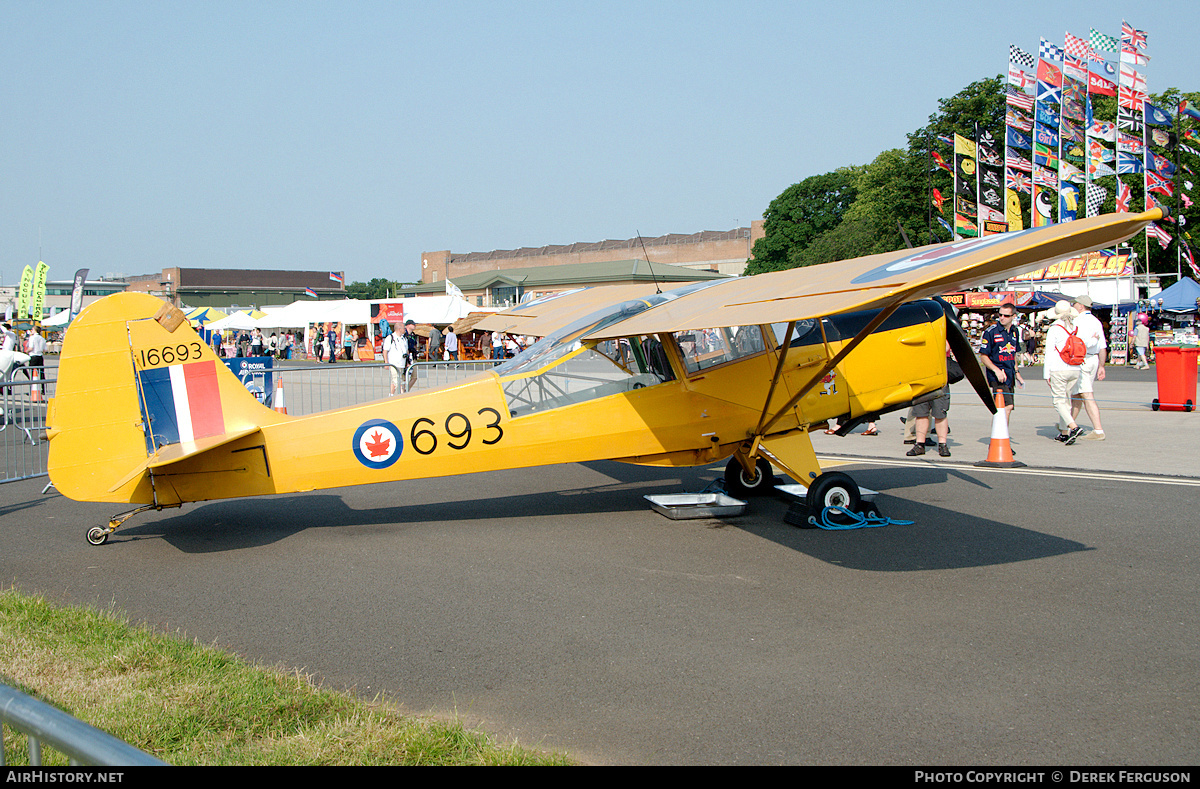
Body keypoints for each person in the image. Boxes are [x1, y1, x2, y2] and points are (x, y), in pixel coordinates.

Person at [1041, 300, 1085, 445]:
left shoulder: (1054, 329)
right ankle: (1064, 432)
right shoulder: (1075, 327)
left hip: (1059, 368)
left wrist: (1046, 374)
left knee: (1058, 401)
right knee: (1066, 401)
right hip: (1074, 368)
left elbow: (1049, 353)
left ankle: (1073, 427)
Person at [980, 304, 1025, 430]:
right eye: (1000, 315)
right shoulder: (991, 332)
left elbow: (1013, 353)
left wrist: (1017, 373)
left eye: (1006, 315)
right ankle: (1000, 437)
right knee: (1006, 406)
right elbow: (983, 356)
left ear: (1013, 316)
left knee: (1006, 408)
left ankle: (1001, 436)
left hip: (1010, 373)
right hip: (998, 376)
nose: (1002, 318)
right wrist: (996, 370)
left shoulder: (1014, 331)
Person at [906, 344, 953, 457]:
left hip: (938, 375)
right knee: (921, 413)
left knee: (940, 413)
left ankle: (942, 444)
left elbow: (945, 347)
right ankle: (920, 444)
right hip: (920, 375)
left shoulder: (940, 330)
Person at [1070, 295, 1106, 441]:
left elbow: (1078, 343)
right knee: (1077, 393)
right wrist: (1101, 366)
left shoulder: (1077, 321)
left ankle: (1098, 430)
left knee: (1086, 394)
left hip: (1082, 359)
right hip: (1094, 359)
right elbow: (1102, 346)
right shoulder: (1096, 321)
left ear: (1080, 306)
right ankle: (1068, 424)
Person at [382, 323, 408, 395]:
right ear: (399, 329)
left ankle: (391, 394)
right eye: (404, 328)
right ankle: (403, 395)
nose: (405, 330)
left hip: (402, 363)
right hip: (393, 363)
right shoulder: (390, 338)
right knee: (397, 380)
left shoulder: (404, 338)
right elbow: (385, 351)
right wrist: (386, 362)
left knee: (397, 380)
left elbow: (406, 350)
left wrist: (408, 361)